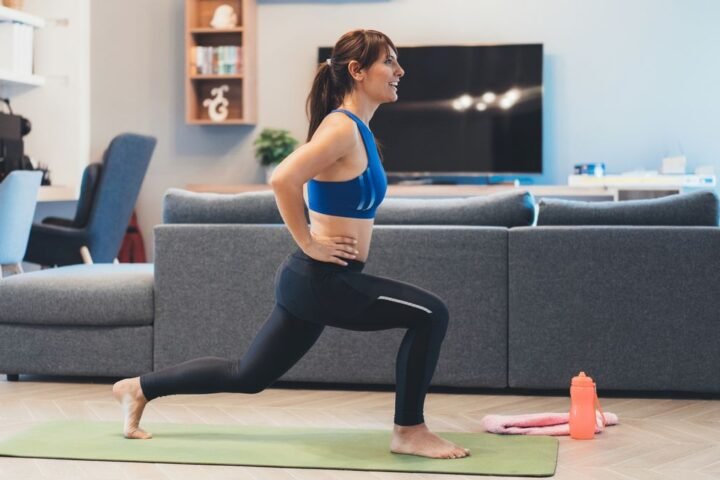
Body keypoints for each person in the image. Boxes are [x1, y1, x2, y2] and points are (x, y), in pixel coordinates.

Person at [113, 29, 470, 460]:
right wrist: (308, 241)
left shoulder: (357, 129)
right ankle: (409, 430)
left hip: (313, 281)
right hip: (321, 278)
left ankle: (138, 388)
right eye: (389, 61)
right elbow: (283, 178)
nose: (400, 70)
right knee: (432, 314)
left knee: (248, 375)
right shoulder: (341, 128)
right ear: (357, 71)